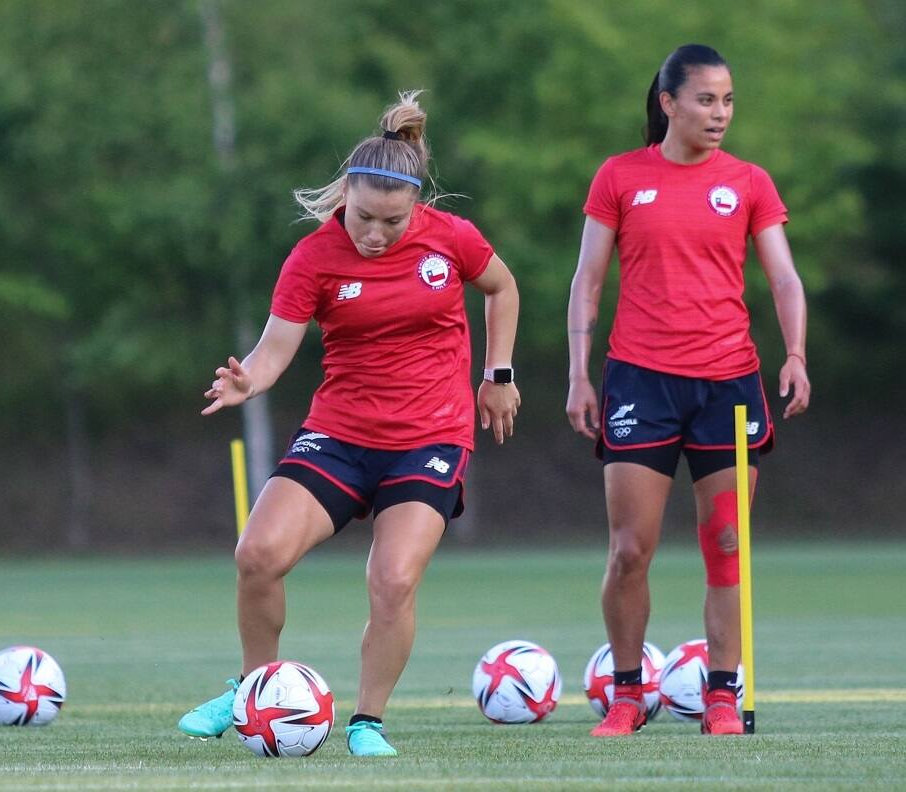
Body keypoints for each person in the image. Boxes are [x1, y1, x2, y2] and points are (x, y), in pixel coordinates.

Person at [177, 91, 521, 757]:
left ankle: (367, 722)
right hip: (340, 434)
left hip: (430, 437)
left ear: (416, 205)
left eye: (392, 221)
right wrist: (249, 379)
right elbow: (275, 350)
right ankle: (251, 688)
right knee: (257, 555)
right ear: (347, 196)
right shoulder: (314, 256)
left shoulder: (450, 239)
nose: (375, 232)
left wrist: (498, 373)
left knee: (392, 579)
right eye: (364, 216)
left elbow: (503, 288)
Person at [566, 44, 810, 737]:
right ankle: (626, 693)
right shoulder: (619, 177)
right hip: (639, 379)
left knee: (727, 541)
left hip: (728, 383)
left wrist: (794, 354)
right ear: (669, 102)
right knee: (629, 550)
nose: (720, 113)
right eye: (706, 100)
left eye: (729, 100)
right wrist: (578, 374)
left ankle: (723, 695)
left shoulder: (750, 182)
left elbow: (785, 279)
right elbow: (588, 281)